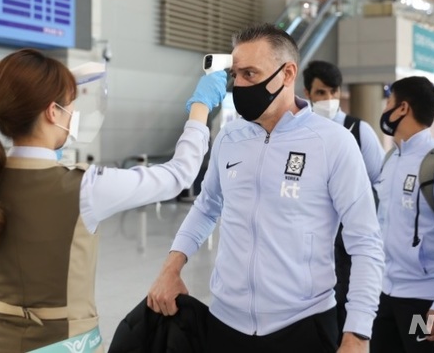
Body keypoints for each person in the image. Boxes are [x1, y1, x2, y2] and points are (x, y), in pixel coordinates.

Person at [0, 48, 227, 353]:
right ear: (52, 112)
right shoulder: (85, 188)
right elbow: (179, 175)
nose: (72, 114)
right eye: (68, 106)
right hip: (67, 345)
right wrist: (201, 107)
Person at [148, 23, 385, 353]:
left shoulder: (333, 142)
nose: (240, 85)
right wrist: (170, 269)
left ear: (287, 73)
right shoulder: (231, 137)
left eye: (250, 74)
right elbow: (206, 207)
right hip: (225, 323)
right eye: (236, 75)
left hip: (304, 325)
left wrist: (358, 332)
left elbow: (366, 243)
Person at [371, 76, 434, 353]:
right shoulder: (391, 159)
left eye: (388, 102)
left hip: (426, 299)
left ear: (402, 108)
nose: (385, 109)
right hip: (385, 294)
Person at [302, 60, 385, 336]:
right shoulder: (301, 132)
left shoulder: (360, 131)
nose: (329, 99)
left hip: (348, 242)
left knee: (346, 305)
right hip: (308, 239)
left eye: (333, 92)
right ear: (308, 93)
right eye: (321, 93)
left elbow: (379, 182)